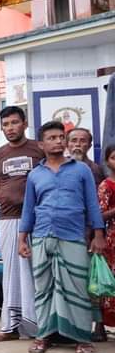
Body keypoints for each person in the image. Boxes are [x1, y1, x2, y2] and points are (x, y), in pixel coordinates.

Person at [19, 121, 106, 353]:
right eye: (52, 138)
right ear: (41, 144)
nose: (58, 141)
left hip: (73, 235)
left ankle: (82, 338)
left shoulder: (81, 170)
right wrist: (22, 239)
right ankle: (44, 335)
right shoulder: (35, 174)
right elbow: (29, 209)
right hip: (42, 236)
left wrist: (99, 234)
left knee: (77, 288)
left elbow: (92, 204)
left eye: (60, 137)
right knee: (43, 288)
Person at [0, 105, 46, 341]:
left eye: (14, 123)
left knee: (37, 272)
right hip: (8, 219)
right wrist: (3, 198)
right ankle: (10, 327)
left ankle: (40, 326)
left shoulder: (38, 149)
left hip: (38, 220)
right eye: (6, 124)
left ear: (24, 123)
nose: (10, 128)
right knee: (12, 272)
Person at [68, 127, 108, 341]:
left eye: (83, 141)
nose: (77, 145)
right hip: (68, 233)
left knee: (93, 282)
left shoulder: (95, 170)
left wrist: (96, 235)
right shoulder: (63, 169)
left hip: (89, 234)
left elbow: (97, 206)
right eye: (73, 140)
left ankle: (98, 325)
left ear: (90, 145)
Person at [97, 145, 115, 332]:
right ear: (108, 161)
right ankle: (101, 326)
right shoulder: (106, 185)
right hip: (112, 239)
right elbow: (99, 215)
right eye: (113, 158)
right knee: (109, 283)